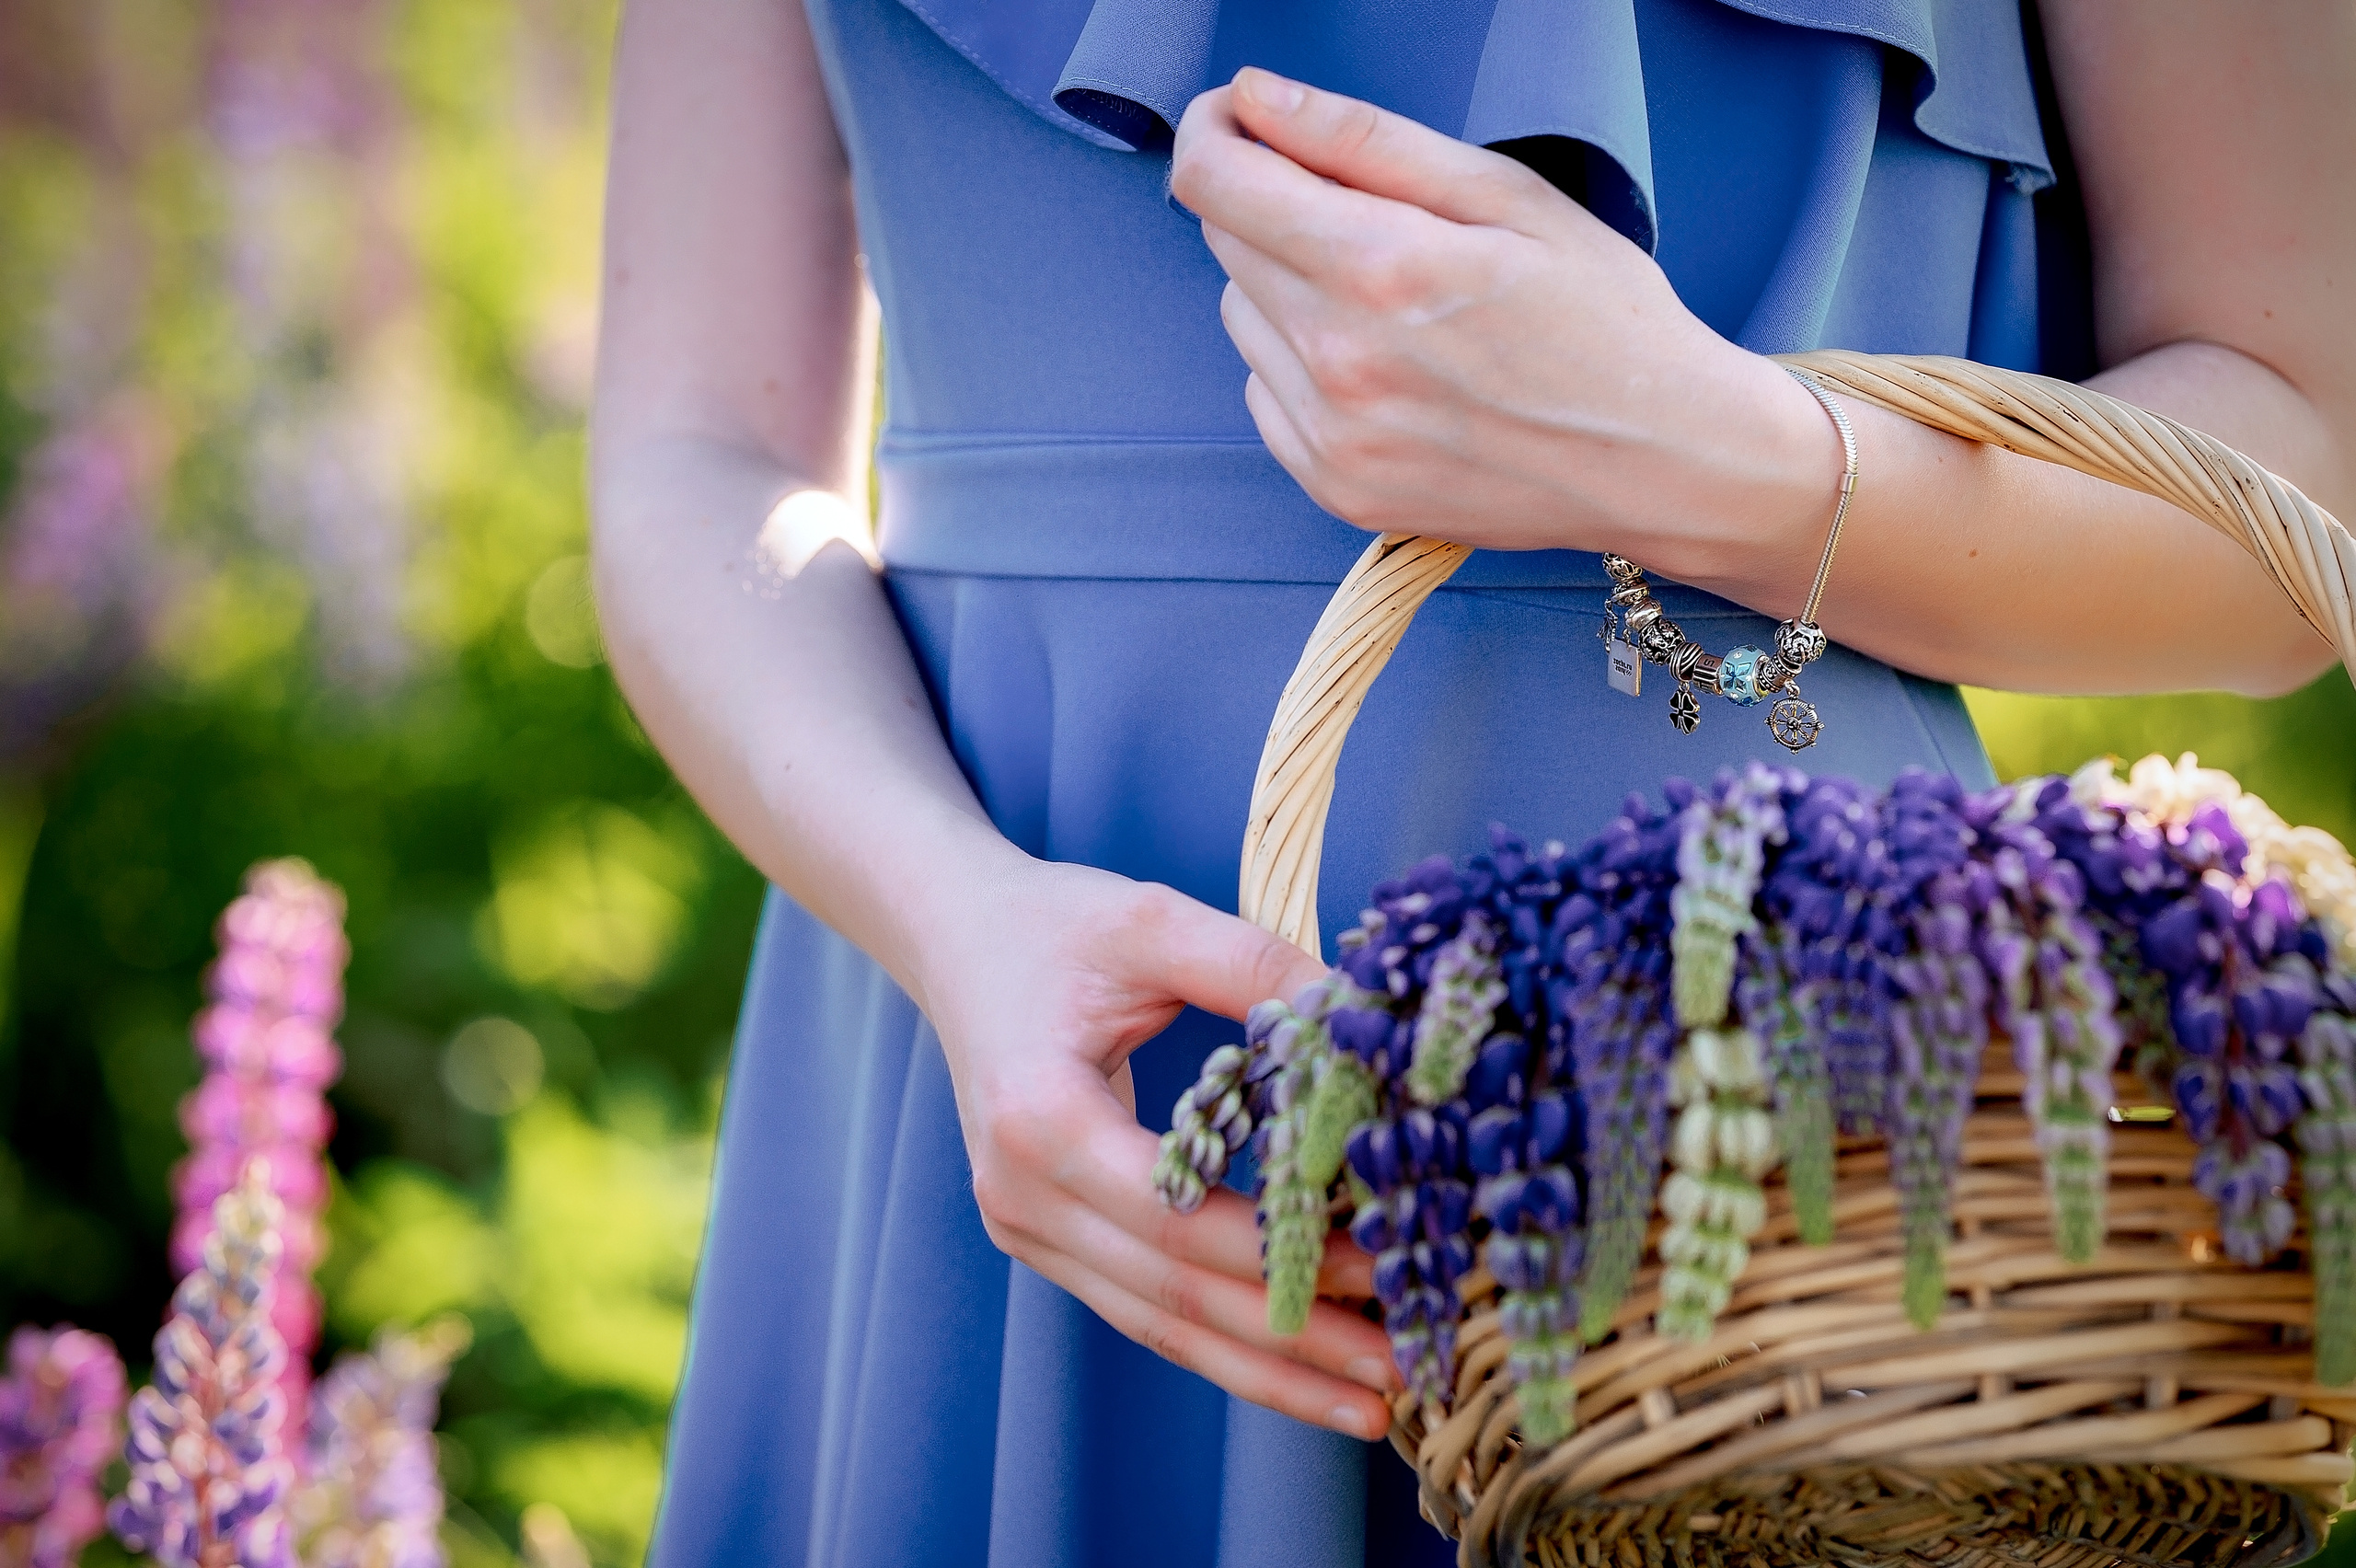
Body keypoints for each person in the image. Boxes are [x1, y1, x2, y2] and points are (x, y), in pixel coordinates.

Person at [589, 1, 2352, 1563]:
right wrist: (946, 911)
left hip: (1781, 1101)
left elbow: (2310, 465)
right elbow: (698, 450)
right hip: (1023, 1019)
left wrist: (1727, 459)